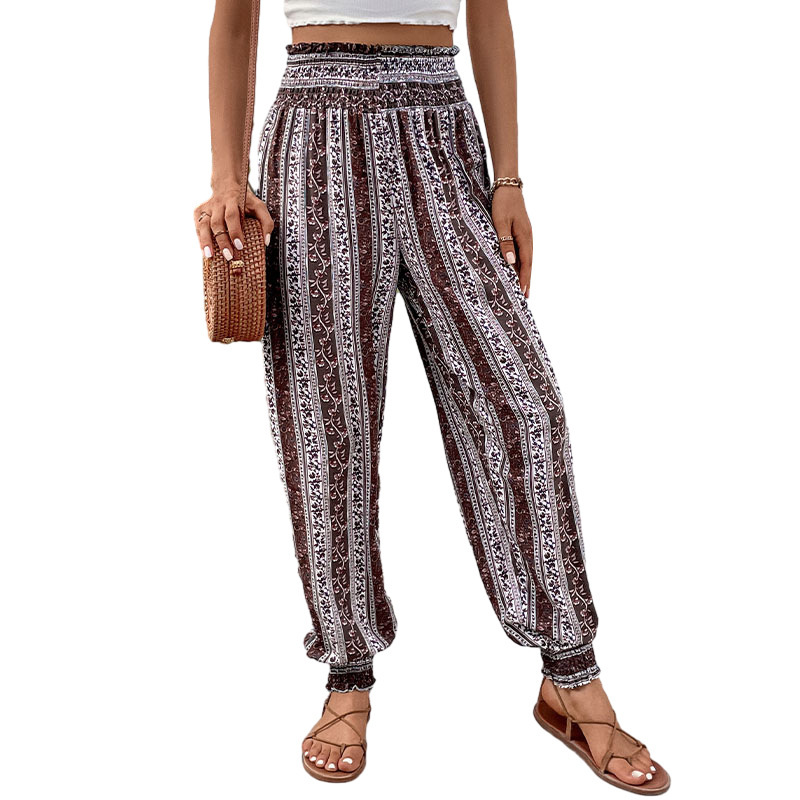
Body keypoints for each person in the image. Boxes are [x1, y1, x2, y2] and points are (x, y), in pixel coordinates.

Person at [194, 1, 670, 792]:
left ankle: (570, 673)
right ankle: (347, 673)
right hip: (313, 129)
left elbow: (489, 11)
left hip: (443, 127)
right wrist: (226, 176)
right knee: (326, 422)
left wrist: (509, 180)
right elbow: (235, 19)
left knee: (525, 406)